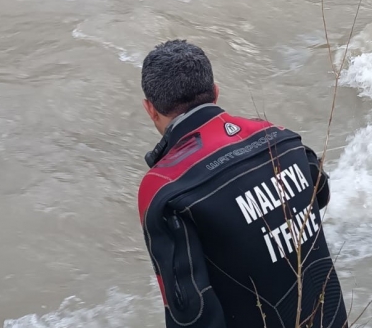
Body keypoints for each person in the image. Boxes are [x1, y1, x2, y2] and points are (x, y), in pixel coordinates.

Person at [137, 39, 348, 328]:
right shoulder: (281, 138)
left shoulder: (165, 188)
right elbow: (320, 192)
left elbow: (190, 312)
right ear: (215, 92)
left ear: (150, 109)